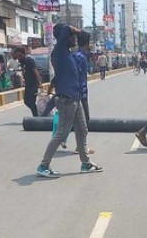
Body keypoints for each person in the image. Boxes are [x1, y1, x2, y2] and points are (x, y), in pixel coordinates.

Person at [36, 23, 101, 178]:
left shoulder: (67, 54)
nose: (75, 39)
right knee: (61, 133)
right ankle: (43, 165)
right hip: (67, 99)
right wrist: (78, 30)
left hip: (75, 98)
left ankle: (86, 163)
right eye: (72, 37)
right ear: (65, 37)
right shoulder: (59, 51)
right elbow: (65, 29)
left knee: (82, 130)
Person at [13, 46, 41, 117]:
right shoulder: (22, 62)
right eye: (17, 56)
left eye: (20, 55)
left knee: (31, 101)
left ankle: (36, 116)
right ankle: (36, 112)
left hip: (33, 84)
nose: (19, 58)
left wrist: (39, 83)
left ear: (24, 54)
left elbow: (35, 71)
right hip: (28, 85)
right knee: (26, 101)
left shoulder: (29, 60)